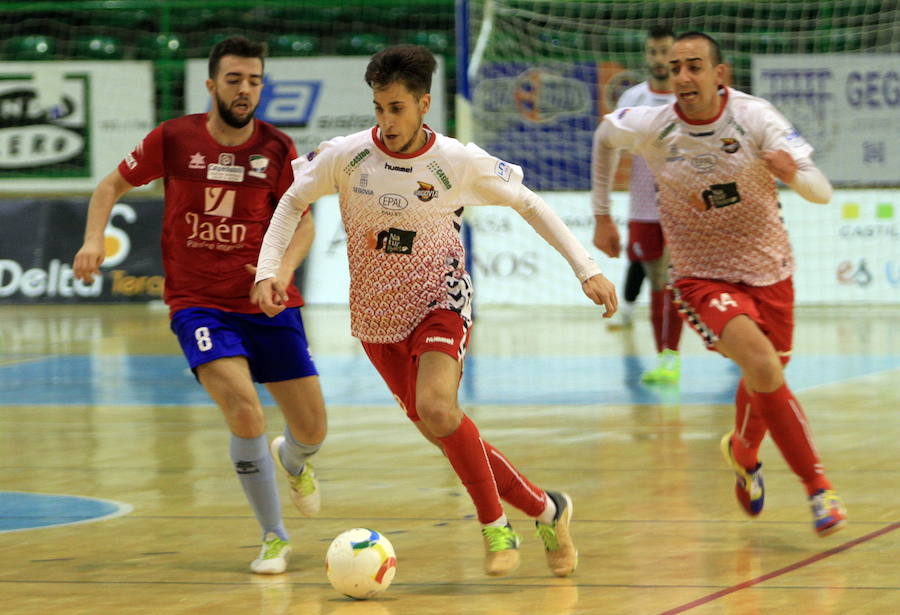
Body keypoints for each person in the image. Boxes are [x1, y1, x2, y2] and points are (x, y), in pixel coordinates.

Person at [254, 44, 617, 577]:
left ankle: (496, 529)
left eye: (397, 108)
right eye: (379, 108)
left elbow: (531, 203)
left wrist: (586, 268)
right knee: (443, 428)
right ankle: (547, 508)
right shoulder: (347, 156)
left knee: (440, 410)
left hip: (439, 300)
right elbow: (291, 201)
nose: (386, 120)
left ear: (423, 104)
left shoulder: (456, 161)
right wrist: (268, 270)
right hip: (377, 317)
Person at [73, 36, 327, 573]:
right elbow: (109, 186)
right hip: (198, 304)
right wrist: (93, 240)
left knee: (312, 428)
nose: (245, 90)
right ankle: (274, 536)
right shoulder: (174, 139)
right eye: (234, 80)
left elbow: (304, 222)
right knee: (243, 407)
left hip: (267, 300)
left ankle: (294, 458)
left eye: (254, 80)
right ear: (211, 86)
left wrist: (278, 273)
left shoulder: (278, 148)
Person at [591, 32, 846, 536]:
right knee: (761, 364)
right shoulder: (651, 125)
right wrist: (602, 214)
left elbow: (822, 191)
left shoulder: (756, 118)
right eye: (675, 67)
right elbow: (604, 137)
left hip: (770, 268)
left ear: (719, 75)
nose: (682, 76)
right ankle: (819, 488)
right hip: (700, 274)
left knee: (764, 379)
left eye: (694, 67)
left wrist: (793, 174)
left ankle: (744, 451)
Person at [593, 25, 684, 384]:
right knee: (659, 280)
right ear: (647, 55)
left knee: (676, 280)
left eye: (666, 52)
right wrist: (605, 213)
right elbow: (609, 147)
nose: (659, 59)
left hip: (685, 207)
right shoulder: (632, 98)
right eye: (653, 52)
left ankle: (672, 355)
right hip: (644, 208)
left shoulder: (688, 95)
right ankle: (666, 357)